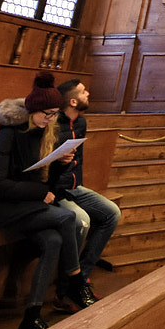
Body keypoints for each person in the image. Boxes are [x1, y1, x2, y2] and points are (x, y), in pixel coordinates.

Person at [0, 71, 96, 329]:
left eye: (54, 114)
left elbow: (46, 185)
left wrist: (59, 165)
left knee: (53, 241)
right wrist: (38, 193)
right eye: (46, 113)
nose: (50, 119)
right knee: (67, 218)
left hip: (24, 204)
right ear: (32, 110)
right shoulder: (7, 136)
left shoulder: (42, 134)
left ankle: (31, 316)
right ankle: (76, 281)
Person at [53, 77, 122, 305]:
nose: (88, 94)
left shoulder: (80, 123)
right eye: (83, 92)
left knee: (111, 213)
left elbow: (77, 160)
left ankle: (81, 279)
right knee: (80, 220)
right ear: (73, 101)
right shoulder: (53, 124)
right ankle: (65, 290)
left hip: (74, 187)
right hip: (54, 190)